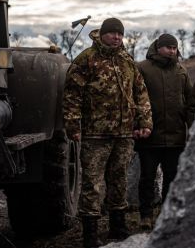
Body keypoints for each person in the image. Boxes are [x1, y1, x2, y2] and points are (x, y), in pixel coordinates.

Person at [63, 18, 152, 248]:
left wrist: (144, 122)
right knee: (92, 183)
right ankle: (90, 235)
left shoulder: (127, 61)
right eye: (112, 33)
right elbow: (72, 96)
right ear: (101, 34)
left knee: (119, 180)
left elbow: (140, 93)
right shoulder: (86, 60)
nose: (116, 38)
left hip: (123, 134)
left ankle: (117, 228)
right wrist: (73, 126)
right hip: (95, 134)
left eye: (120, 34)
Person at [135, 33, 193, 230]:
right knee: (147, 178)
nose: (172, 51)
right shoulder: (142, 68)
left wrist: (191, 127)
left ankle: (165, 215)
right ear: (158, 48)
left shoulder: (181, 71)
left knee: (172, 177)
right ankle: (145, 215)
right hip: (149, 136)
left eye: (174, 48)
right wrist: (139, 125)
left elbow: (189, 102)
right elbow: (134, 99)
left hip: (176, 136)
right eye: (168, 47)